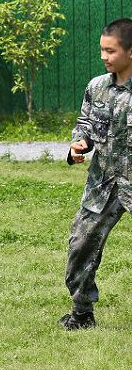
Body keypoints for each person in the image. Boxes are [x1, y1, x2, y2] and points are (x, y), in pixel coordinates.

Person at [61, 18, 132, 330]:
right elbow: (86, 125)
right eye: (102, 50)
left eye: (111, 51)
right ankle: (82, 313)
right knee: (80, 247)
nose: (104, 56)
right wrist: (79, 145)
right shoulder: (97, 87)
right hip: (103, 183)